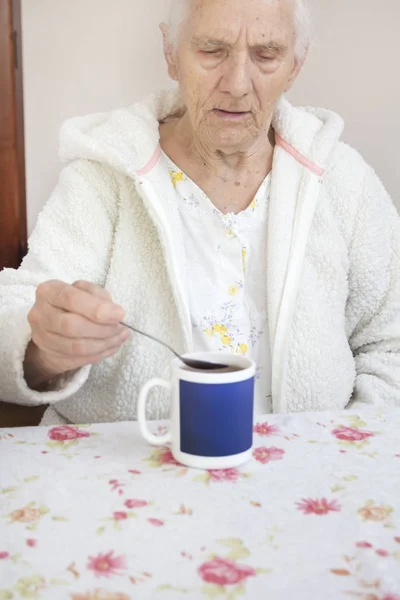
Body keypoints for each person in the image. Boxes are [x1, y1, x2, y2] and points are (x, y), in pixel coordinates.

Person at [0, 0, 399, 426]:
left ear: (295, 65)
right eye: (212, 50)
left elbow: (390, 346)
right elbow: (15, 317)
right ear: (171, 53)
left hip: (309, 480)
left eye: (266, 55)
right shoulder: (101, 178)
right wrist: (43, 348)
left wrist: (342, 451)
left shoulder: (344, 181)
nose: (238, 84)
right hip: (132, 476)